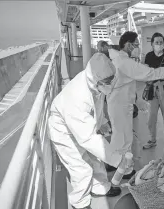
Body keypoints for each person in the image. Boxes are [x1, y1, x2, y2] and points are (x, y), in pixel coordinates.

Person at [48, 53, 133, 209]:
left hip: (81, 125)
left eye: (112, 80)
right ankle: (79, 203)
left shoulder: (94, 84)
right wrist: (117, 159)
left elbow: (96, 109)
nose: (111, 84)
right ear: (97, 79)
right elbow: (88, 138)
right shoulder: (76, 96)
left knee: (96, 158)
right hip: (63, 130)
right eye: (108, 82)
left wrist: (103, 123)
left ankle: (100, 188)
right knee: (81, 168)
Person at [106, 31, 164, 176]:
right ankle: (124, 169)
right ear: (128, 45)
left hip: (118, 103)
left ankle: (113, 162)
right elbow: (149, 73)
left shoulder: (118, 59)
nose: (137, 48)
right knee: (124, 138)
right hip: (121, 105)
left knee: (118, 136)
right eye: (136, 44)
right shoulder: (125, 62)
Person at [142, 33, 164, 149]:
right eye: (156, 42)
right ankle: (152, 139)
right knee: (151, 116)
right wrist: (157, 75)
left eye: (161, 42)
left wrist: (156, 74)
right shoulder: (148, 56)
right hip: (153, 90)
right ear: (152, 44)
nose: (159, 44)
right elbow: (146, 73)